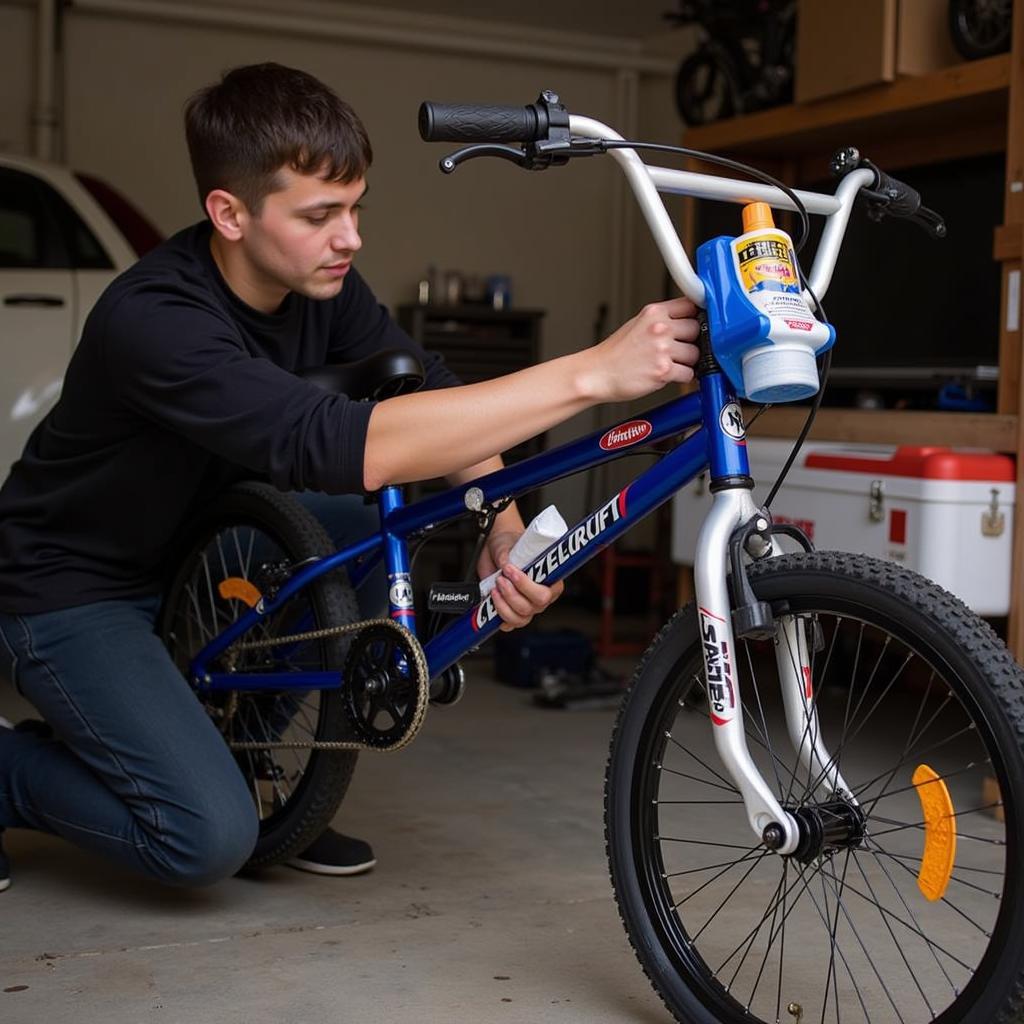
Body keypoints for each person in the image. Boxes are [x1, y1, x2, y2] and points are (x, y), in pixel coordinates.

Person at [0, 63, 700, 891]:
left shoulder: (322, 289)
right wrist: (592, 374)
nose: (351, 238)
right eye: (320, 215)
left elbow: (426, 391)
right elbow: (341, 444)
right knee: (203, 839)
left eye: (355, 207)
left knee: (375, 525)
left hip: (199, 552)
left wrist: (501, 522)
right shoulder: (154, 320)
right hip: (71, 586)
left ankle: (250, 765)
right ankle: (17, 771)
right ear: (228, 213)